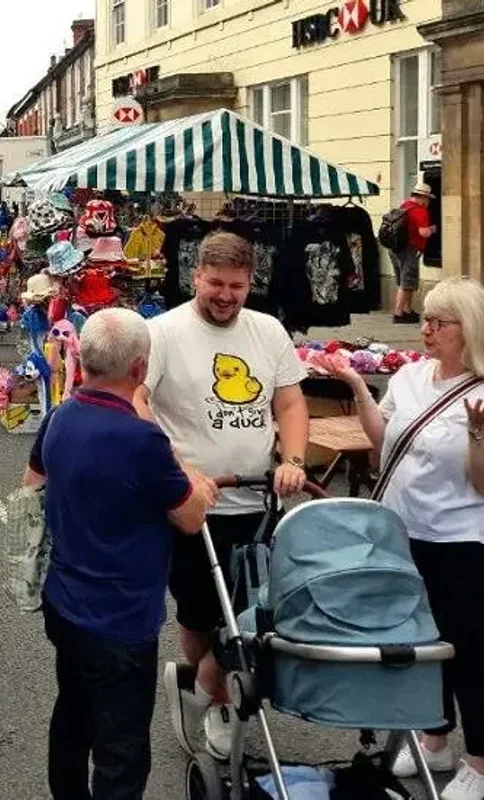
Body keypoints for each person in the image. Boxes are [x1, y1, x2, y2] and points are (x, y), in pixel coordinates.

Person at [25, 308, 216, 800]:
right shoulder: (141, 439)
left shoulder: (60, 416)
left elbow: (31, 487)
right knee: (123, 745)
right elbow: (190, 516)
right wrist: (194, 478)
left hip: (64, 599)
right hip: (121, 613)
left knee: (73, 715)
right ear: (138, 368)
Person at [133, 230, 309, 761]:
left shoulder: (268, 331)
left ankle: (211, 692)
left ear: (251, 282)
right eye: (216, 283)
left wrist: (293, 461)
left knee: (253, 612)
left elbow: (290, 404)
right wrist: (179, 468)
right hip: (192, 506)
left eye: (237, 286)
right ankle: (208, 686)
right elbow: (137, 400)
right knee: (199, 615)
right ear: (195, 276)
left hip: (257, 501)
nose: (226, 295)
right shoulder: (162, 333)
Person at [312, 277, 484, 800]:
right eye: (425, 319)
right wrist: (358, 388)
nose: (425, 330)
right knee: (418, 643)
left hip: (462, 541)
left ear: (468, 329)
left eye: (438, 322)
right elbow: (383, 442)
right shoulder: (409, 376)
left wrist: (477, 434)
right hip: (401, 530)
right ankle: (434, 737)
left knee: (470, 649)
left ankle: (479, 759)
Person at [391, 182, 437, 324]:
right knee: (407, 282)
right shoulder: (420, 211)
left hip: (396, 249)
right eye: (428, 199)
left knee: (404, 281)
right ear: (423, 197)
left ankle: (407, 310)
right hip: (410, 249)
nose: (428, 202)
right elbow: (423, 232)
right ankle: (399, 313)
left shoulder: (404, 205)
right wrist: (433, 229)